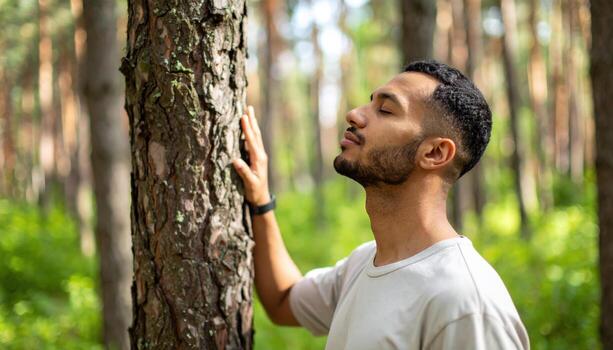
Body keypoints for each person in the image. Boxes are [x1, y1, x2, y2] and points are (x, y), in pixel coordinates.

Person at [232, 60, 530, 350]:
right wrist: (260, 201)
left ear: (435, 152)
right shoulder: (364, 262)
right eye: (370, 103)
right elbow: (283, 301)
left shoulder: (466, 304)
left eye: (386, 110)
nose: (354, 114)